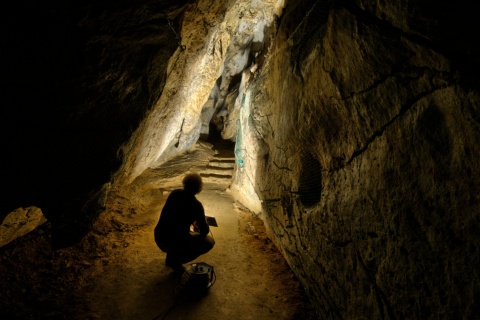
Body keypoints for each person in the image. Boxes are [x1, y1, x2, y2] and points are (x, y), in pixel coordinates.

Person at [154, 173, 215, 273]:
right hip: (173, 242)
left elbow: (175, 217)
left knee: (175, 232)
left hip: (160, 236)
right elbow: (204, 231)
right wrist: (201, 222)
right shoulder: (196, 205)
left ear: (185, 183)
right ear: (199, 188)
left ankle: (170, 259)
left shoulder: (174, 193)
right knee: (209, 242)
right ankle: (176, 262)